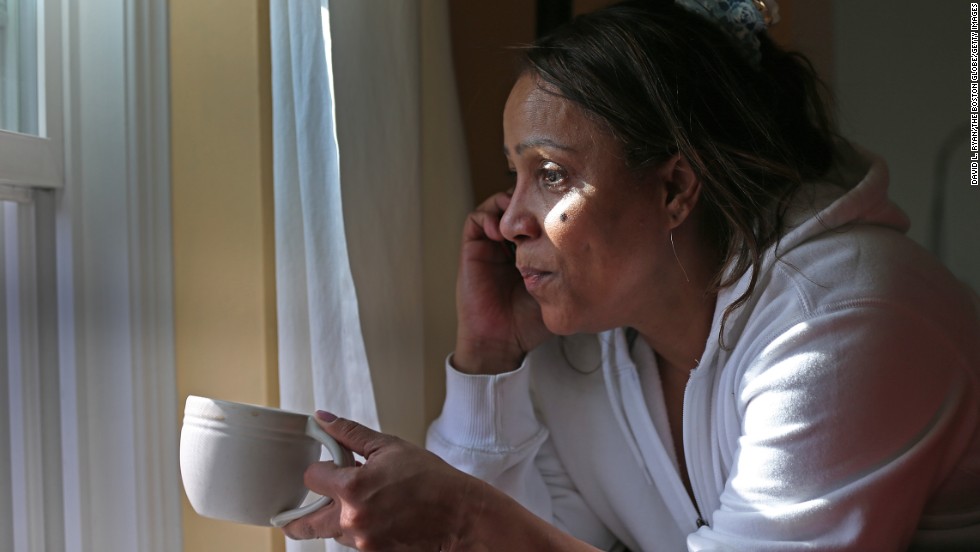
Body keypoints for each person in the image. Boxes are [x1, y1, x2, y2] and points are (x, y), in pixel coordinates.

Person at [281, 0, 980, 549]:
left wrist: (462, 521)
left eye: (551, 175)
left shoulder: (840, 319)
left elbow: (490, 535)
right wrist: (490, 365)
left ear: (675, 188)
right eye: (512, 176)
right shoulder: (594, 347)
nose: (509, 220)